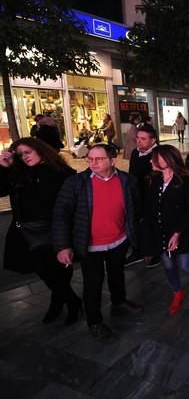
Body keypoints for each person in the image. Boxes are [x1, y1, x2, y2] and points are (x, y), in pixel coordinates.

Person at [54, 144, 144, 341]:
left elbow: (135, 209)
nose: (93, 163)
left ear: (113, 161)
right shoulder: (76, 183)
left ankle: (119, 302)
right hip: (90, 246)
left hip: (119, 241)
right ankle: (94, 322)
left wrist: (131, 234)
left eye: (99, 159)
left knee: (117, 274)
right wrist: (63, 246)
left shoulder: (128, 181)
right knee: (93, 284)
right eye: (90, 158)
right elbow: (61, 215)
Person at [0, 138, 82, 325]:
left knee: (59, 270)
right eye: (20, 155)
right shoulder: (18, 173)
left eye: (27, 152)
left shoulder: (61, 173)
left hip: (55, 229)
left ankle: (59, 301)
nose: (24, 157)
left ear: (40, 150)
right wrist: (3, 167)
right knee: (42, 269)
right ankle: (72, 301)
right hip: (27, 231)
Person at [145, 145, 189, 315]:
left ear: (167, 160)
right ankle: (177, 292)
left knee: (186, 264)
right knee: (168, 264)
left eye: (155, 158)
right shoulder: (155, 180)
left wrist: (177, 233)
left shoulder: (186, 180)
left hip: (181, 231)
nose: (150, 161)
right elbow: (151, 209)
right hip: (161, 232)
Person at [125, 124, 159, 268]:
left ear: (153, 140)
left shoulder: (158, 154)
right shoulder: (135, 153)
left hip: (152, 198)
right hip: (136, 196)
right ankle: (138, 251)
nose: (138, 141)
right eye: (138, 138)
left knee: (152, 225)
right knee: (136, 224)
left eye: (143, 139)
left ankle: (154, 252)